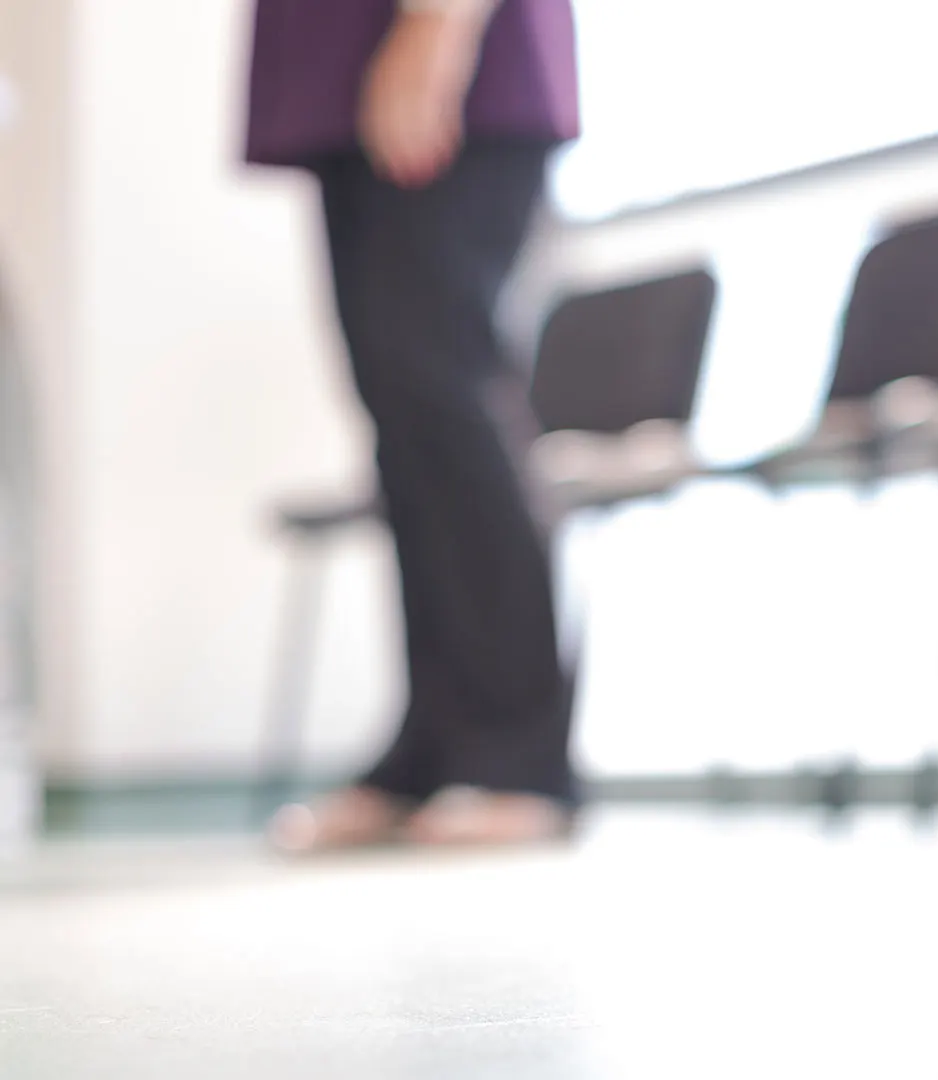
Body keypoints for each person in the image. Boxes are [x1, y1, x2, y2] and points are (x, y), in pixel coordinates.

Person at [244, 0, 582, 850]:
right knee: (402, 422)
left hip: (439, 59)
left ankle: (521, 756)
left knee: (447, 398)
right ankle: (433, 748)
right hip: (342, 77)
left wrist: (441, 23)